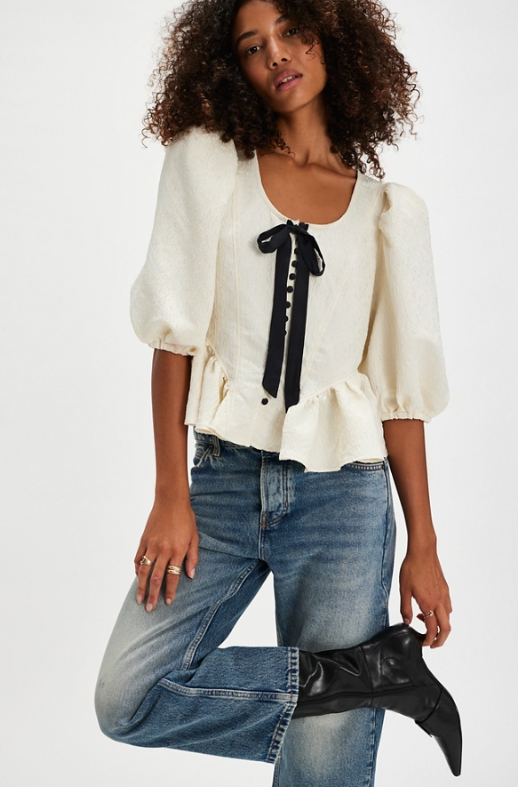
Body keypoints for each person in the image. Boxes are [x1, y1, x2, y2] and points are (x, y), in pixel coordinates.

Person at [94, 1, 462, 784]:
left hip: (345, 498)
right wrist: (170, 492)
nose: (278, 56)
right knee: (128, 694)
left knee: (324, 765)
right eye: (252, 46)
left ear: (334, 37)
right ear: (233, 68)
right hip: (222, 483)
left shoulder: (388, 212)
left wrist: (424, 544)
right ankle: (367, 676)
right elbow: (174, 337)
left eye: (293, 32)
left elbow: (399, 397)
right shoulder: (209, 165)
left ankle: (351, 693)